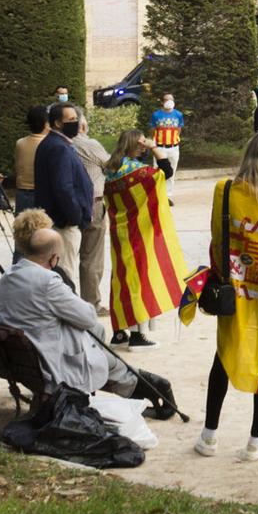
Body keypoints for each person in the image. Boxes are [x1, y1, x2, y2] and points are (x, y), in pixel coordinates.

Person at [195, 131, 258, 462]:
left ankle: (209, 436)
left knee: (224, 355)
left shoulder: (224, 190)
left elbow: (217, 240)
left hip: (232, 290)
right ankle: (256, 441)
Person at [0, 226, 177, 411]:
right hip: (50, 362)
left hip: (22, 359)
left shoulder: (8, 276)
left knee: (97, 342)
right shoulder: (48, 281)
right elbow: (88, 317)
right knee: (102, 350)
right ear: (53, 258)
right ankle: (148, 387)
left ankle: (141, 385)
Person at [102, 129, 185, 349]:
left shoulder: (111, 168)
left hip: (119, 231)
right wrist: (155, 148)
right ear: (134, 144)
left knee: (120, 279)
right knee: (139, 279)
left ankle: (119, 333)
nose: (143, 146)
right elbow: (166, 172)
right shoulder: (137, 171)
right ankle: (139, 336)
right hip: (137, 231)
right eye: (141, 143)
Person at [34, 102, 96, 323]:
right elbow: (63, 187)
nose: (77, 123)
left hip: (61, 220)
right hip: (64, 224)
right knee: (65, 275)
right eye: (71, 120)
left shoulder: (56, 143)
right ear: (58, 122)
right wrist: (75, 217)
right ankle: (68, 323)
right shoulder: (58, 147)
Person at [69, 119, 112, 307]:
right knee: (92, 255)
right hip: (93, 202)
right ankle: (90, 302)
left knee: (66, 254)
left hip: (69, 202)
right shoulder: (89, 144)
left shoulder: (60, 144)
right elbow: (111, 164)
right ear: (83, 126)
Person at [12, 105, 51, 214]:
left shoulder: (20, 143)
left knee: (24, 229)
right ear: (46, 124)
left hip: (22, 193)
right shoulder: (50, 144)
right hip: (42, 193)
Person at [151, 94, 184, 180]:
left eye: (171, 100)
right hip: (160, 147)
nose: (169, 102)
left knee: (171, 173)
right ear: (162, 102)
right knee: (157, 172)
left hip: (174, 147)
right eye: (167, 99)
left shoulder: (179, 115)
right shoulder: (156, 115)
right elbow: (153, 130)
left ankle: (169, 193)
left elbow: (179, 129)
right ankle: (157, 192)